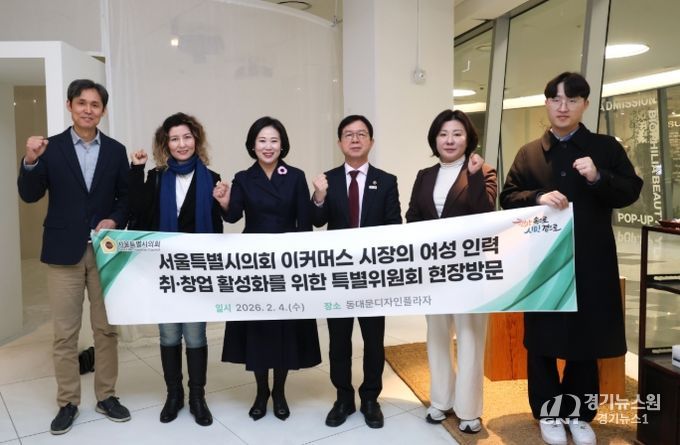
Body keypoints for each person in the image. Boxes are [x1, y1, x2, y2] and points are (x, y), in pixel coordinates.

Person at [500, 72, 643, 445]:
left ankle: (579, 413)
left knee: (586, 336)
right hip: (543, 262)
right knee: (542, 337)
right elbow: (507, 196)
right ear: (546, 103)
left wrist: (598, 177)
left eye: (572, 99)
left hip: (591, 259)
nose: (563, 107)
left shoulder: (605, 148)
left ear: (585, 104)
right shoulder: (529, 153)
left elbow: (631, 190)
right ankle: (548, 411)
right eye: (556, 99)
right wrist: (536, 197)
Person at [17, 79, 131, 435]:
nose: (88, 110)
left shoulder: (116, 151)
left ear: (103, 111)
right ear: (70, 106)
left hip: (103, 252)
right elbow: (29, 194)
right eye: (81, 103)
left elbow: (126, 198)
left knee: (106, 330)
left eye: (95, 105)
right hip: (62, 252)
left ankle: (106, 396)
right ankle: (68, 402)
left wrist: (115, 219)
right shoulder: (50, 148)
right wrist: (30, 160)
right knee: (65, 334)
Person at [214, 116, 321, 421]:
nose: (268, 146)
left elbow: (305, 224)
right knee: (259, 329)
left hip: (287, 263)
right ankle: (262, 391)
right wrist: (224, 201)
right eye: (262, 141)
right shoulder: (244, 178)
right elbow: (233, 217)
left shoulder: (295, 176)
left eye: (274, 140)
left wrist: (302, 264)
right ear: (252, 145)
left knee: (284, 328)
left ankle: (280, 392)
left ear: (282, 144)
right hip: (255, 264)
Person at [128, 112, 223, 426]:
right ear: (165, 144)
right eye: (174, 139)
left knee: (195, 335)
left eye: (187, 137)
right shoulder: (156, 178)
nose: (181, 144)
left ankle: (197, 397)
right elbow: (137, 213)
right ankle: (174, 395)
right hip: (163, 270)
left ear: (196, 140)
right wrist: (136, 170)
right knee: (169, 334)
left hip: (197, 272)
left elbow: (218, 229)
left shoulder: (213, 178)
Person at [405, 109, 496, 433]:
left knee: (470, 336)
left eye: (457, 134)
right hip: (433, 270)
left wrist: (474, 175)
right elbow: (413, 216)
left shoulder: (483, 170)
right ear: (435, 139)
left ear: (468, 138)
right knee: (437, 335)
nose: (449, 140)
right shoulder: (425, 175)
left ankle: (469, 410)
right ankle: (441, 400)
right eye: (443, 134)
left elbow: (486, 212)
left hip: (470, 270)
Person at [311, 115, 402, 429]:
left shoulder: (386, 180)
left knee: (373, 340)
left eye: (361, 134)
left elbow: (394, 225)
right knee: (339, 340)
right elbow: (317, 220)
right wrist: (319, 196)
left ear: (371, 142)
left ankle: (371, 398)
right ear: (339, 142)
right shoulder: (327, 179)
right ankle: (343, 397)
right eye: (348, 134)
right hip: (338, 276)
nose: (355, 139)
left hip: (372, 276)